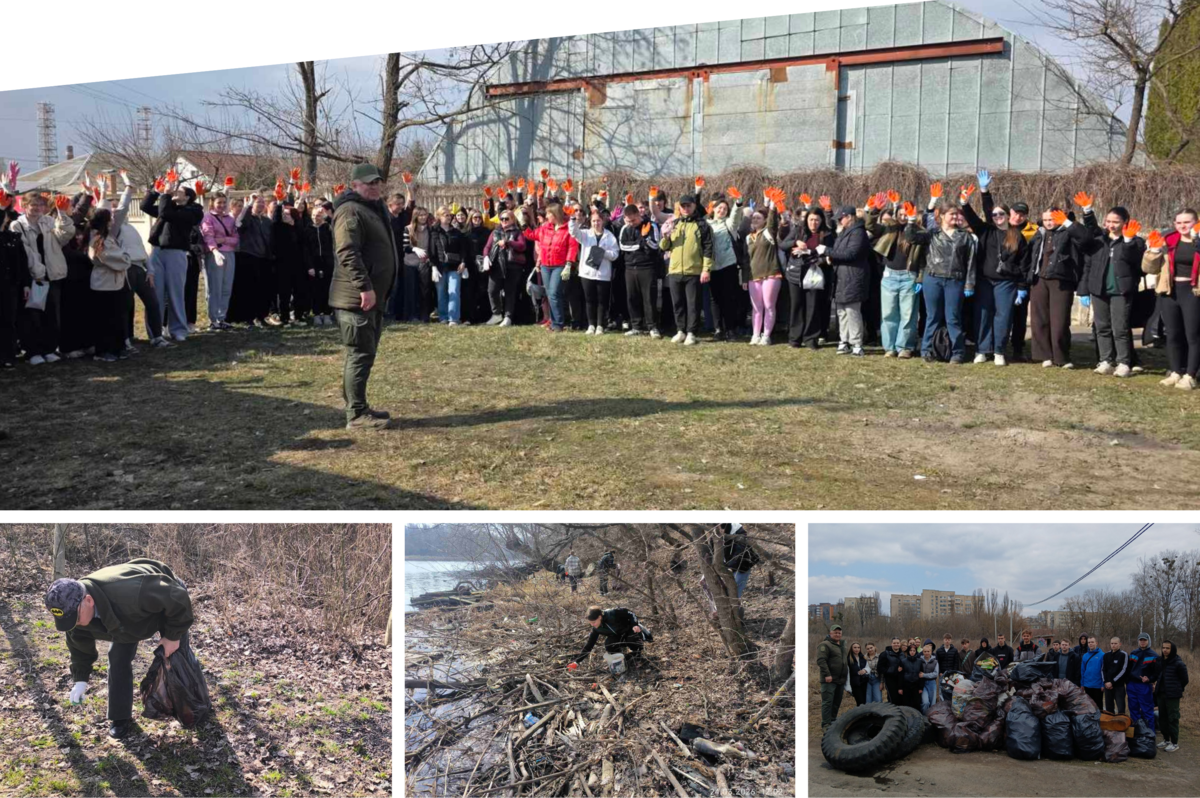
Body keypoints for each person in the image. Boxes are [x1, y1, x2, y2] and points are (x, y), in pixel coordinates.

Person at [44, 558, 193, 739]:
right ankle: (120, 717)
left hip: (165, 599)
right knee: (117, 658)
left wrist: (172, 635)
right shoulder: (74, 615)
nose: (73, 624)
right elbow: (79, 648)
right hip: (126, 622)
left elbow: (176, 596)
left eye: (75, 618)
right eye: (66, 621)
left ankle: (192, 706)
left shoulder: (130, 591)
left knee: (177, 657)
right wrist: (80, 679)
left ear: (89, 601)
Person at [330, 163, 398, 430]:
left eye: (377, 182)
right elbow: (347, 252)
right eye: (368, 183)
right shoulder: (349, 211)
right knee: (360, 353)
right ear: (355, 185)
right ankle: (356, 415)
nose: (374, 187)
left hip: (371, 297)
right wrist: (364, 287)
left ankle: (358, 405)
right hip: (356, 298)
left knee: (362, 353)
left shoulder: (371, 210)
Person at [961, 170, 1028, 365]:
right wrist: (980, 193)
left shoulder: (1017, 236)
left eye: (1001, 214)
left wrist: (1022, 288)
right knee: (982, 314)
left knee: (1003, 316)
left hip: (1006, 283)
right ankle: (982, 349)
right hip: (984, 281)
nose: (998, 216)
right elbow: (975, 216)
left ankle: (999, 351)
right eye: (995, 214)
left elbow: (1024, 263)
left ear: (1008, 216)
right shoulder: (985, 231)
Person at [906, 187, 976, 363]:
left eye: (956, 214)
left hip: (955, 280)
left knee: (953, 317)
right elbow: (912, 237)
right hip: (933, 279)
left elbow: (971, 262)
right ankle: (927, 351)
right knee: (932, 317)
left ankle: (957, 353)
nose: (955, 217)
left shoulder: (965, 237)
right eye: (951, 214)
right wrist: (911, 220)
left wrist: (969, 284)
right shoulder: (932, 234)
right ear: (942, 216)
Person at [1079, 201, 1145, 377]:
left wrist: (1129, 240)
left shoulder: (1136, 242)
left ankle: (1124, 362)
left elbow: (1134, 261)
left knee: (1120, 328)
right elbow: (1091, 228)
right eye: (1108, 221)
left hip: (1121, 291)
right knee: (1102, 327)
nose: (1111, 225)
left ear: (1125, 222)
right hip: (1099, 290)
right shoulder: (1100, 239)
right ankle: (1105, 360)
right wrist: (1087, 211)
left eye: (1115, 221)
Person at [1028, 200, 1092, 369]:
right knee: (1039, 319)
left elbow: (1086, 238)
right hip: (1039, 280)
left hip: (1062, 281)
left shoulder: (1069, 231)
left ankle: (1061, 356)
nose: (1049, 222)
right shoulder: (1040, 232)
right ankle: (1044, 355)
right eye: (1046, 219)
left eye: (1052, 219)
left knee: (1060, 321)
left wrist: (1067, 222)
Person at [12, 192, 74, 364]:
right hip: (34, 277)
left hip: (52, 274)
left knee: (52, 316)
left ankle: (49, 348)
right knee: (32, 316)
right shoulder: (17, 225)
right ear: (24, 206)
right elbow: (25, 253)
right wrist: (38, 271)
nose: (38, 208)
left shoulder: (48, 221)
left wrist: (62, 214)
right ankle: (32, 351)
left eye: (41, 205)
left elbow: (65, 236)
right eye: (34, 205)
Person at [1142, 208, 1200, 389]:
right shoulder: (1168, 241)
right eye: (1179, 222)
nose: (1183, 226)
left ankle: (1191, 375)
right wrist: (1153, 250)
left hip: (1193, 292)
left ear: (1196, 222)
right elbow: (1149, 269)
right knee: (1172, 334)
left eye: (1187, 222)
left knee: (1193, 335)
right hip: (1170, 291)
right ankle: (1176, 372)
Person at [143, 180, 204, 342]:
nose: (175, 192)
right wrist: (156, 191)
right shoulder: (169, 207)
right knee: (156, 293)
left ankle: (178, 329)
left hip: (176, 253)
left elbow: (166, 214)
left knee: (175, 293)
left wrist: (165, 195)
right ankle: (155, 331)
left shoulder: (193, 211)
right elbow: (145, 207)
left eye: (180, 191)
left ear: (188, 197)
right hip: (157, 252)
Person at [866, 196, 924, 358]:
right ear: (896, 213)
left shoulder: (919, 232)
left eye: (908, 213)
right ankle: (890, 347)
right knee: (889, 313)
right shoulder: (890, 228)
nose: (903, 216)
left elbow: (923, 259)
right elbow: (869, 225)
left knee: (908, 314)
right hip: (889, 275)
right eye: (901, 213)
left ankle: (905, 347)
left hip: (909, 276)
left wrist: (920, 278)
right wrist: (875, 210)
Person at [659, 193, 713, 346]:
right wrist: (666, 236)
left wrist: (706, 269)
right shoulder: (674, 223)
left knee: (693, 304)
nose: (686, 208)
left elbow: (708, 247)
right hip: (675, 270)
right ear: (679, 208)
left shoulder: (702, 225)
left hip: (693, 271)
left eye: (689, 205)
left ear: (694, 206)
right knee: (677, 303)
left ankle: (691, 332)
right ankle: (681, 330)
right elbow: (664, 247)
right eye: (683, 206)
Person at [781, 203, 835, 350]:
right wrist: (794, 242)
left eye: (817, 220)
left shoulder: (827, 234)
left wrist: (819, 259)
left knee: (813, 307)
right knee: (797, 306)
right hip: (796, 274)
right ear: (806, 220)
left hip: (815, 274)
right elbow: (782, 245)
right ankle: (795, 339)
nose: (814, 223)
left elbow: (832, 253)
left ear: (821, 220)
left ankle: (811, 338)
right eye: (811, 220)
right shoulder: (798, 230)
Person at [87, 207, 133, 362]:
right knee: (105, 319)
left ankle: (117, 347)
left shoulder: (107, 237)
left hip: (113, 282)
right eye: (110, 218)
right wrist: (126, 256)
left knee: (116, 317)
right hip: (104, 283)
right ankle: (103, 351)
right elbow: (116, 259)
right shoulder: (99, 239)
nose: (113, 220)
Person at [523, 202, 577, 332]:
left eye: (549, 213)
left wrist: (569, 264)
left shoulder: (567, 228)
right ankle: (554, 322)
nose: (546, 216)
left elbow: (572, 247)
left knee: (553, 293)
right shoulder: (545, 228)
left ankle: (558, 323)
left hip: (560, 265)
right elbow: (531, 235)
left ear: (555, 214)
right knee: (551, 293)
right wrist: (524, 225)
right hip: (546, 266)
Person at [826, 204, 870, 356]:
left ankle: (856, 343)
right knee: (841, 311)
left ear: (849, 217)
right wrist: (831, 256)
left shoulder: (858, 233)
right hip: (841, 276)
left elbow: (851, 254)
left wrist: (826, 251)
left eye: (841, 218)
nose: (839, 221)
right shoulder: (844, 232)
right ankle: (844, 340)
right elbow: (839, 252)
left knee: (852, 311)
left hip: (853, 276)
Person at [568, 204, 619, 334]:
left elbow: (615, 254)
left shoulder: (610, 236)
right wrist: (573, 219)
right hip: (587, 273)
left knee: (602, 301)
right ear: (590, 222)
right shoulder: (585, 234)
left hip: (603, 274)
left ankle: (600, 325)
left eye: (598, 220)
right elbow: (574, 232)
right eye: (594, 221)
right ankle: (591, 325)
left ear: (603, 221)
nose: (596, 223)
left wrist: (603, 253)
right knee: (589, 300)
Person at [616, 203, 662, 338]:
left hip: (647, 267)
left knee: (649, 298)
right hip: (630, 268)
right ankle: (636, 326)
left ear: (638, 214)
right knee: (632, 297)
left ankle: (652, 327)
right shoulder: (625, 228)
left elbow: (656, 245)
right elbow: (623, 246)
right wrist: (640, 244)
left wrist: (646, 238)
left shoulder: (651, 225)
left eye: (633, 220)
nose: (631, 223)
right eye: (628, 220)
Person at [229, 192, 274, 328]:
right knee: (249, 289)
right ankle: (248, 317)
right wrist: (247, 206)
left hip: (264, 258)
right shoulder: (248, 218)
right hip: (249, 256)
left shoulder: (267, 221)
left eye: (262, 202)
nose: (260, 204)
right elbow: (240, 224)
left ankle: (261, 316)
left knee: (263, 290)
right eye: (257, 202)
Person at [706, 191, 746, 340]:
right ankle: (718, 329)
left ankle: (730, 329)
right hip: (712, 266)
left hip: (729, 266)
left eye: (724, 209)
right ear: (714, 209)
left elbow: (735, 217)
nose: (721, 210)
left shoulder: (729, 224)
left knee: (729, 298)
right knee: (714, 299)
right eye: (719, 208)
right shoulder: (707, 224)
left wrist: (738, 203)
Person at [482, 207, 528, 327]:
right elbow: (487, 246)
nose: (503, 220)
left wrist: (508, 242)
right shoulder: (495, 232)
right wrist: (486, 257)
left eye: (506, 218)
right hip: (496, 265)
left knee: (510, 292)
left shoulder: (517, 232)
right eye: (501, 218)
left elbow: (522, 246)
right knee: (492, 290)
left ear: (512, 219)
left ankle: (508, 317)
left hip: (512, 266)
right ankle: (496, 313)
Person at [200, 191, 239, 331]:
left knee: (226, 287)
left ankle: (221, 317)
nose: (222, 205)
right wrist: (215, 250)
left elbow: (235, 239)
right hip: (214, 254)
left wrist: (222, 240)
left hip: (229, 254)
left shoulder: (230, 218)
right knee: (214, 287)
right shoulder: (208, 218)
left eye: (224, 202)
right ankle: (213, 319)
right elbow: (208, 237)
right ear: (212, 203)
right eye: (219, 203)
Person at [0, 191, 29, 368]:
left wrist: (25, 283)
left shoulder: (13, 237)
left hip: (10, 285)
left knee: (8, 321)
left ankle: (8, 355)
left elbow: (22, 262)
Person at [572, 606, 651, 669]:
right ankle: (622, 658)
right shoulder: (596, 629)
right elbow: (589, 645)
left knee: (632, 637)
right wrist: (577, 662)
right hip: (618, 636)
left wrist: (635, 624)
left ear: (599, 617)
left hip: (630, 630)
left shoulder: (612, 613)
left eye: (594, 622)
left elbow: (630, 613)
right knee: (608, 644)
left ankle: (637, 654)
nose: (592, 625)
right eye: (590, 623)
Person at [1155, 640, 1188, 751]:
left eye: (1167, 648)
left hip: (1172, 695)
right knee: (1162, 718)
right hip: (1161, 693)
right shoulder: (1160, 661)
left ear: (1172, 649)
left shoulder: (1178, 663)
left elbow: (1185, 679)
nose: (1165, 650)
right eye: (1163, 647)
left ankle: (1174, 742)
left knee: (1172, 718)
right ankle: (1166, 740)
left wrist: (1177, 689)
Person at [1126, 633, 1159, 733]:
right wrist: (1127, 682)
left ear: (1148, 641)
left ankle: (1149, 733)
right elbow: (1128, 669)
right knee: (1133, 709)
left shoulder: (1154, 655)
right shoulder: (1133, 653)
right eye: (1141, 640)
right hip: (1132, 685)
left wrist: (1150, 680)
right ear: (1138, 641)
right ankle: (1136, 732)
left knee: (1147, 710)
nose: (1142, 642)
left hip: (1144, 686)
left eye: (1144, 640)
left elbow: (1157, 672)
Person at [817, 624, 847, 730]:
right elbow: (821, 660)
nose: (837, 634)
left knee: (836, 702)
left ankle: (833, 720)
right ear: (830, 633)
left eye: (839, 633)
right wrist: (827, 674)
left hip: (840, 680)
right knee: (828, 702)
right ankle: (826, 724)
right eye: (835, 632)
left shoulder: (842, 645)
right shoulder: (825, 645)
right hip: (829, 680)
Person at [721, 523, 759, 598]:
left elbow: (740, 554)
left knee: (735, 592)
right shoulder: (715, 533)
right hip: (728, 565)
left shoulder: (738, 534)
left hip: (742, 566)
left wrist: (728, 566)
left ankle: (735, 608)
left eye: (721, 529)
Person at [1102, 636, 1129, 715]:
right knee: (1109, 709)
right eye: (1112, 643)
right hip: (1108, 686)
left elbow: (1124, 670)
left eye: (1115, 643)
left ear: (1119, 644)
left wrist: (1112, 682)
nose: (1113, 645)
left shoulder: (1123, 655)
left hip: (1119, 686)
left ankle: (1121, 725)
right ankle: (1110, 726)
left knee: (1120, 708)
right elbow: (1103, 669)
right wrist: (1106, 682)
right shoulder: (1106, 655)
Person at [1080, 635, 1105, 707]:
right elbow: (1083, 670)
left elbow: (1104, 671)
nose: (1090, 644)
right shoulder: (1085, 656)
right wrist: (1082, 684)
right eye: (1089, 642)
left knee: (1098, 705)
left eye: (1092, 642)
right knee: (1089, 705)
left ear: (1096, 643)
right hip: (1087, 685)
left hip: (1098, 685)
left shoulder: (1102, 655)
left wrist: (1103, 684)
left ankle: (1099, 718)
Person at [879, 637, 906, 704]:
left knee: (901, 698)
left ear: (900, 644)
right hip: (890, 679)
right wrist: (891, 671)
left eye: (897, 643)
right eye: (894, 643)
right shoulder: (885, 654)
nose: (896, 644)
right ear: (891, 644)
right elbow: (880, 668)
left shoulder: (902, 654)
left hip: (900, 679)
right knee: (893, 698)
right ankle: (892, 713)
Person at [898, 641, 923, 710]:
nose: (912, 652)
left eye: (914, 651)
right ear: (908, 651)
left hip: (916, 685)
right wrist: (900, 687)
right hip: (906, 685)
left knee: (916, 703)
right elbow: (901, 675)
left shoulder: (919, 661)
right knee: (906, 704)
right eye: (911, 650)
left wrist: (921, 687)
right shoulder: (903, 661)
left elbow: (921, 674)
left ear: (915, 651)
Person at [847, 641, 869, 707]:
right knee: (860, 702)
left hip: (864, 682)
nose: (857, 649)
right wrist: (848, 686)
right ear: (851, 649)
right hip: (855, 683)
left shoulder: (864, 658)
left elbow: (868, 667)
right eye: (855, 647)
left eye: (858, 647)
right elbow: (847, 674)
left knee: (865, 701)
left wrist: (865, 670)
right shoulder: (848, 659)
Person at [918, 642, 939, 710]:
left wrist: (924, 675)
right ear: (923, 652)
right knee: (925, 702)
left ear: (931, 652)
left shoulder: (935, 662)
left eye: (928, 651)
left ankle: (931, 718)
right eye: (925, 651)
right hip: (923, 684)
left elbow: (935, 674)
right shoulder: (920, 661)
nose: (926, 653)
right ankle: (924, 717)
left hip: (932, 683)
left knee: (932, 703)